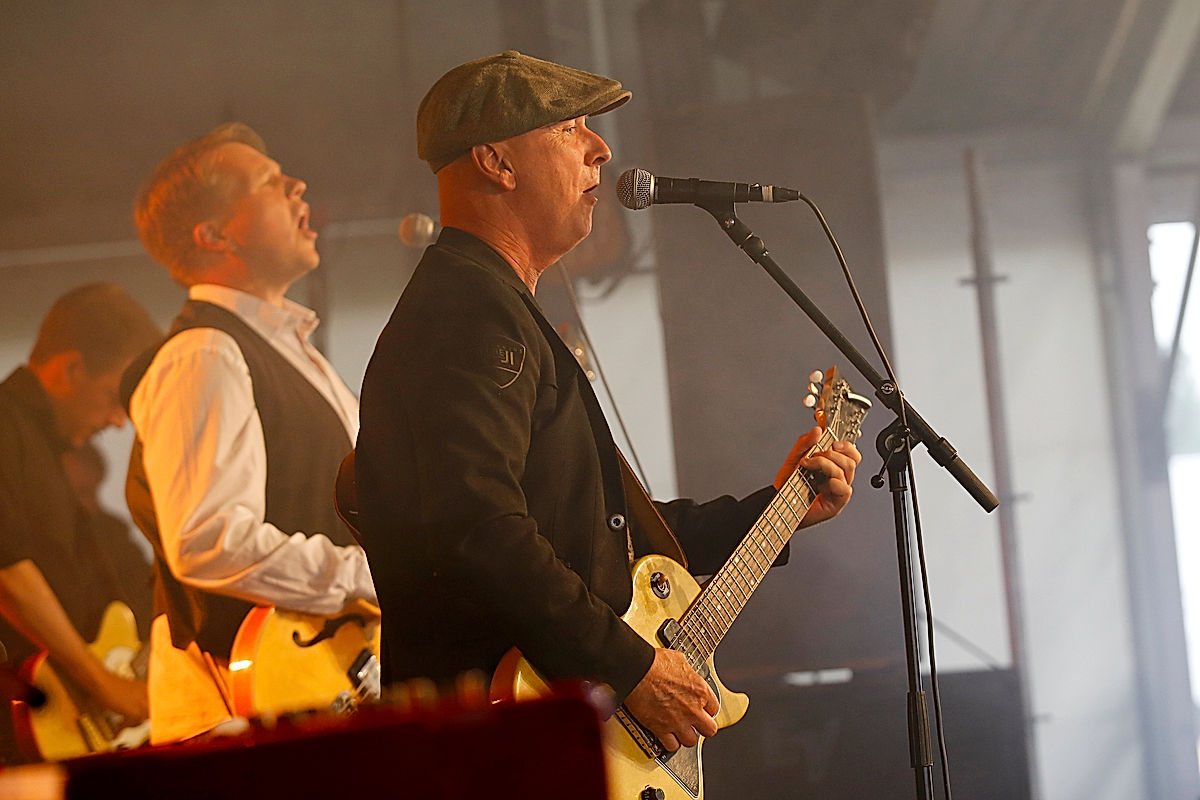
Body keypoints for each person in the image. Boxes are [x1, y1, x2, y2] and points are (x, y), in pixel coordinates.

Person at [354, 51, 861, 754]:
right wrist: (630, 667)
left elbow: (599, 541)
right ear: (496, 163)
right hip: (495, 748)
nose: (601, 149)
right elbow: (480, 528)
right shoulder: (467, 315)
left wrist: (776, 513)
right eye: (569, 129)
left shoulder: (489, 307)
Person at [124, 122, 376, 744]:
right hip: (237, 710)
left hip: (304, 686)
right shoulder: (204, 353)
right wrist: (365, 576)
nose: (297, 185)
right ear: (214, 235)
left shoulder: (282, 350)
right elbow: (209, 540)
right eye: (268, 181)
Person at [0, 283, 160, 763]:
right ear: (71, 369)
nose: (119, 421)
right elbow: (7, 570)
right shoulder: (6, 428)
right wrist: (102, 682)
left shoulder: (44, 446)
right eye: (113, 397)